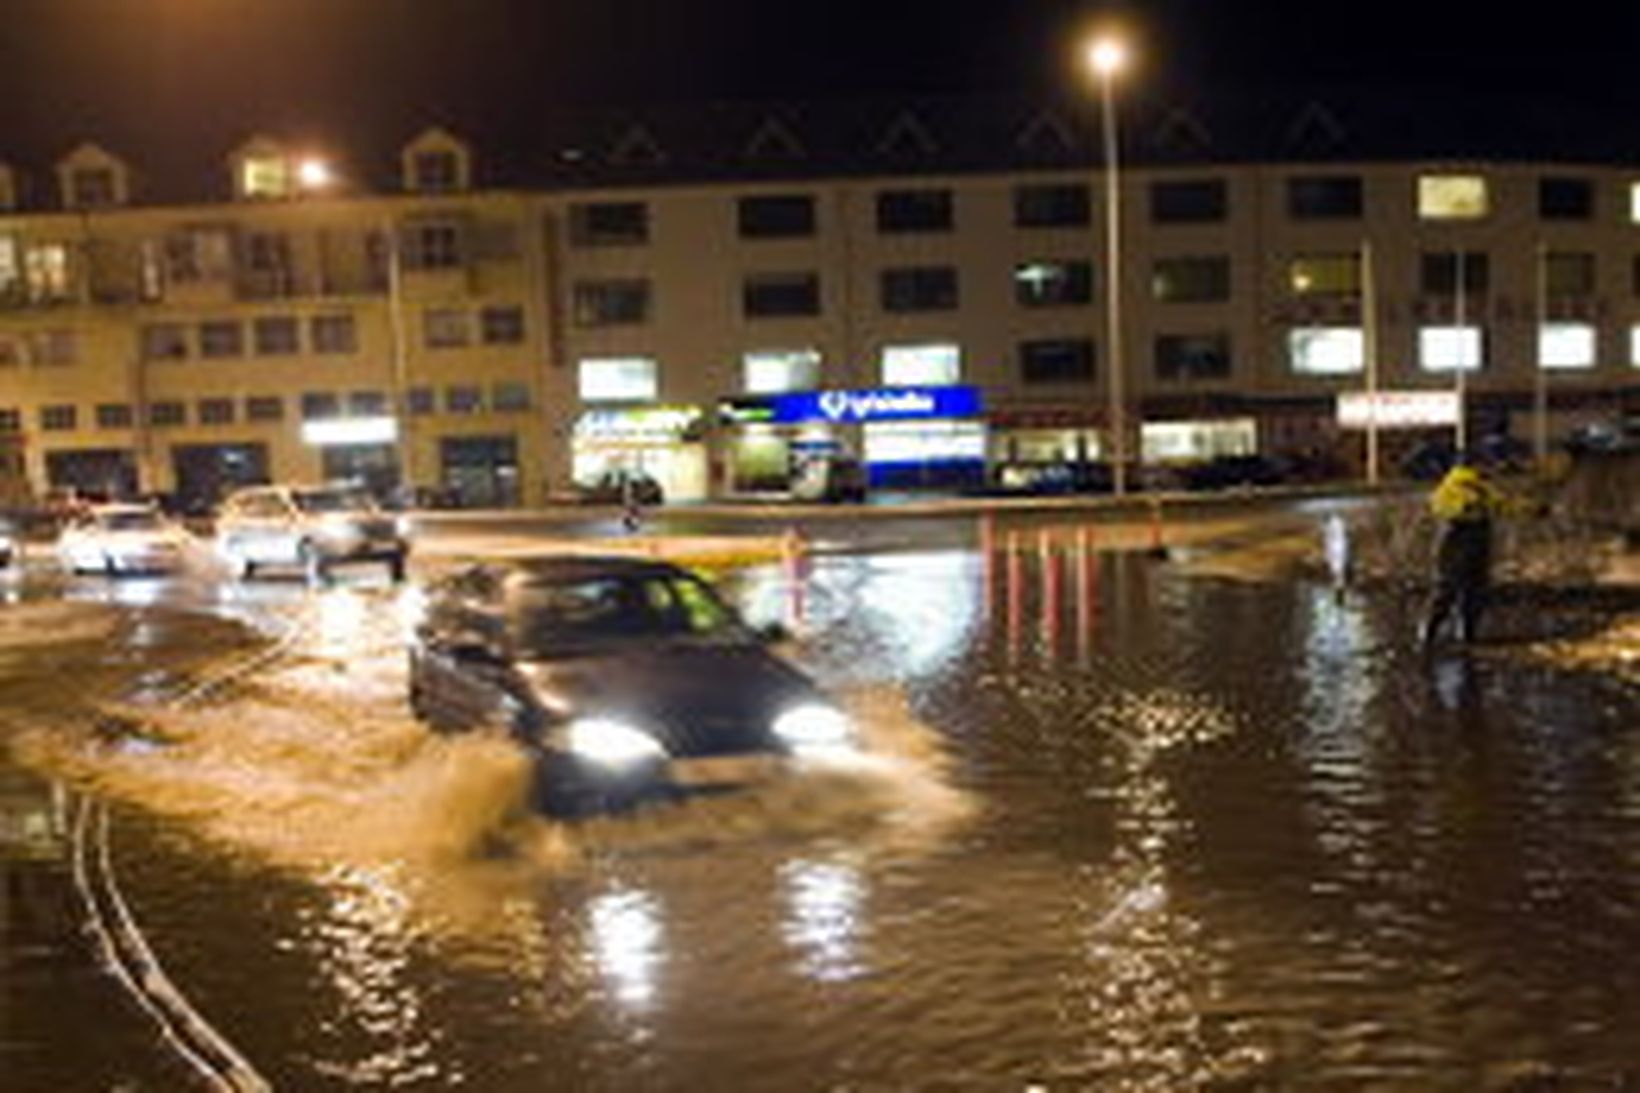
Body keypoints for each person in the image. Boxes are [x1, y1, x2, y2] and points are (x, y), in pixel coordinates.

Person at [1421, 457, 1507, 648]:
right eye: (1489, 464)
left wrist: (1534, 509)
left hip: (1476, 542)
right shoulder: (1455, 485)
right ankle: (1428, 634)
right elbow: (1440, 507)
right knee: (1447, 589)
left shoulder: (1483, 488)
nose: (1494, 468)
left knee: (1474, 590)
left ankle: (1466, 635)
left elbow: (1503, 505)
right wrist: (1467, 507)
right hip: (1455, 542)